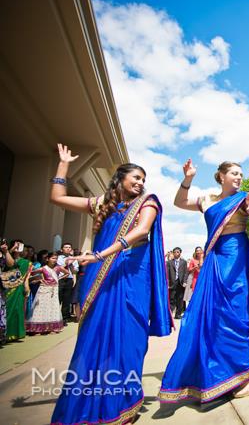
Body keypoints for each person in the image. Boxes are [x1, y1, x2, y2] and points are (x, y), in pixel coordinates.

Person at [49, 144, 171, 424]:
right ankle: (89, 404)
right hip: (101, 279)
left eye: (143, 179)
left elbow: (141, 231)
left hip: (132, 279)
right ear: (120, 178)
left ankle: (124, 401)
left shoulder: (148, 202)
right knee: (95, 337)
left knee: (130, 338)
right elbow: (57, 197)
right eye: (136, 178)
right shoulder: (101, 203)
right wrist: (63, 165)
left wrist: (99, 254)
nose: (140, 183)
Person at [158, 159, 249, 404]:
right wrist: (188, 178)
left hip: (237, 259)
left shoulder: (244, 198)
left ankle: (247, 372)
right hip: (214, 259)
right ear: (221, 176)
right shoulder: (207, 200)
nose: (239, 177)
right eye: (234, 173)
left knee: (236, 315)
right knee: (211, 317)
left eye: (241, 174)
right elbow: (179, 202)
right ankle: (220, 372)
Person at [25, 252, 66, 334]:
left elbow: (67, 273)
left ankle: (51, 326)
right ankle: (38, 327)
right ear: (47, 259)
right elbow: (31, 273)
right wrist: (38, 279)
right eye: (53, 258)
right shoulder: (43, 268)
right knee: (42, 306)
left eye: (56, 258)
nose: (55, 260)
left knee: (52, 306)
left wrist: (58, 279)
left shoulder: (58, 268)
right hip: (44, 288)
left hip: (54, 288)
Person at [4, 240, 29, 342]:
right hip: (7, 287)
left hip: (19, 288)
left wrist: (27, 286)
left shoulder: (26, 262)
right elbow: (9, 265)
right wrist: (9, 251)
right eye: (15, 244)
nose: (17, 246)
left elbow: (26, 276)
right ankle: (5, 333)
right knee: (7, 309)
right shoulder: (5, 256)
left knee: (17, 310)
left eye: (20, 244)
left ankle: (15, 333)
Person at [56, 242, 78, 322]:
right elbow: (61, 266)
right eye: (66, 247)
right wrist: (68, 262)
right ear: (62, 249)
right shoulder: (58, 258)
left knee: (67, 299)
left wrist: (71, 265)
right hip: (60, 279)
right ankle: (55, 316)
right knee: (58, 297)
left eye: (69, 247)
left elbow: (75, 271)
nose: (68, 248)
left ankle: (64, 317)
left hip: (69, 279)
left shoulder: (74, 258)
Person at [166, 247, 188, 318]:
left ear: (180, 253)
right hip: (172, 282)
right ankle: (170, 313)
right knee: (172, 298)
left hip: (181, 283)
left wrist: (185, 281)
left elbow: (185, 273)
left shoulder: (184, 262)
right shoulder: (169, 262)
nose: (176, 253)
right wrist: (168, 282)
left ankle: (178, 314)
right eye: (175, 252)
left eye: (178, 252)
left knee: (180, 299)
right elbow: (167, 273)